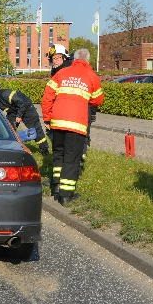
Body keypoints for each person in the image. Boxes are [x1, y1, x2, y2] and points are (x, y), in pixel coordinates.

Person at [41, 48, 104, 206]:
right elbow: (98, 100)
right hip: (76, 125)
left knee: (58, 155)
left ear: (74, 59)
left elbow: (47, 96)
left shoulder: (61, 74)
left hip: (57, 122)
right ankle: (66, 195)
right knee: (72, 159)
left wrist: (47, 118)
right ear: (87, 60)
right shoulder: (92, 77)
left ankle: (55, 186)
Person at [0, 88, 49, 154]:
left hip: (26, 108)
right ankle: (11, 148)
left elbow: (21, 103)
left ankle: (44, 149)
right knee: (9, 129)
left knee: (36, 128)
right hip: (13, 111)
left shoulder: (5, 94)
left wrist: (19, 116)